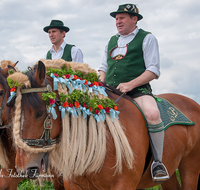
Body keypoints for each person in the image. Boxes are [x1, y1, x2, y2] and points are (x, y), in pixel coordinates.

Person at [98, 3, 169, 183]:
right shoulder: (110, 41)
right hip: (110, 92)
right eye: (116, 19)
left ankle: (158, 163)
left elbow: (153, 70)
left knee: (153, 114)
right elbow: (103, 68)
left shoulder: (147, 38)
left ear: (134, 19)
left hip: (138, 91)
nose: (118, 22)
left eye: (122, 18)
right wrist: (99, 82)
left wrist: (131, 84)